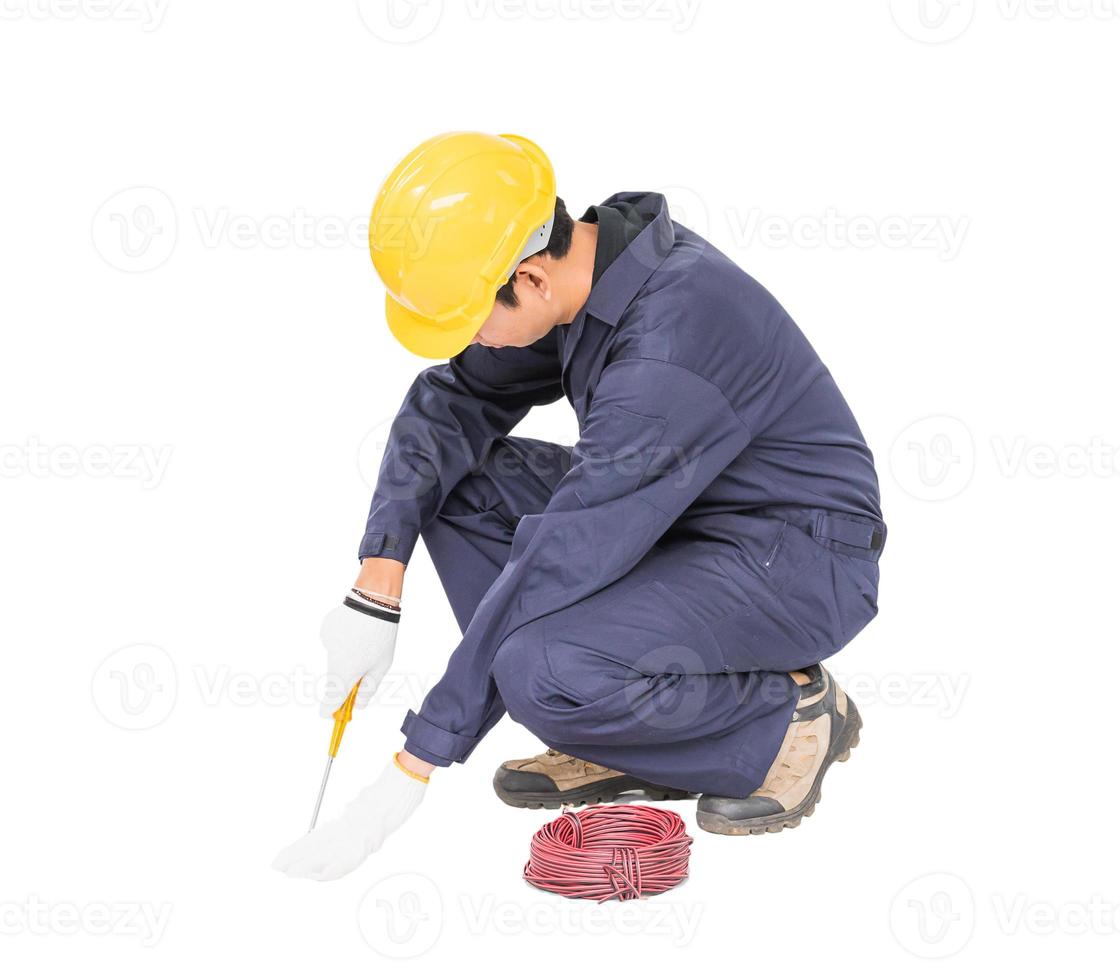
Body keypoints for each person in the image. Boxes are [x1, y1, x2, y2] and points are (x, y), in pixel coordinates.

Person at [274, 132, 885, 881]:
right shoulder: (590, 275)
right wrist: (378, 586)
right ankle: (615, 730)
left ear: (529, 276)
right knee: (457, 483)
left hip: (798, 558)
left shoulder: (668, 341)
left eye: (472, 320)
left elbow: (561, 557)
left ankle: (785, 716)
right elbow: (449, 402)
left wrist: (414, 762)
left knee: (542, 669)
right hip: (681, 518)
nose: (472, 342)